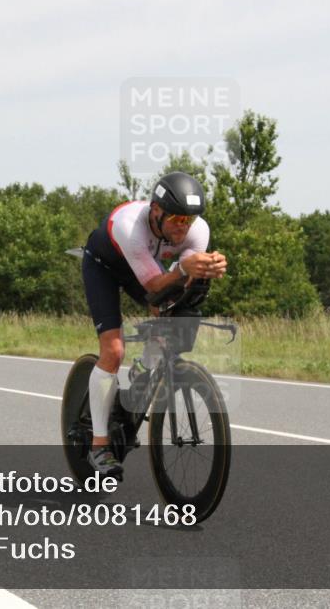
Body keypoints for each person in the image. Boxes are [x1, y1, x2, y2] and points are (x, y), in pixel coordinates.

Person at [81, 172, 227, 476]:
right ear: (156, 210)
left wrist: (205, 270)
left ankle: (142, 371)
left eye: (188, 220)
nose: (183, 226)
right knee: (113, 350)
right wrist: (183, 268)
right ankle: (98, 446)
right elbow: (153, 286)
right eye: (176, 218)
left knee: (170, 320)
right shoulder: (130, 226)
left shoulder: (198, 230)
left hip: (145, 266)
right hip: (104, 268)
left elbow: (178, 288)